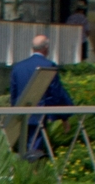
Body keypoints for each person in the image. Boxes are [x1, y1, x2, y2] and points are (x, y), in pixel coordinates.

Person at [7, 33, 74, 161]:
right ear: (46, 48)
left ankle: (25, 172)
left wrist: (14, 113)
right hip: (39, 113)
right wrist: (64, 116)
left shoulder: (18, 67)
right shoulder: (48, 66)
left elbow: (13, 94)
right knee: (35, 150)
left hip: (20, 115)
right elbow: (56, 92)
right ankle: (33, 175)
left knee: (24, 148)